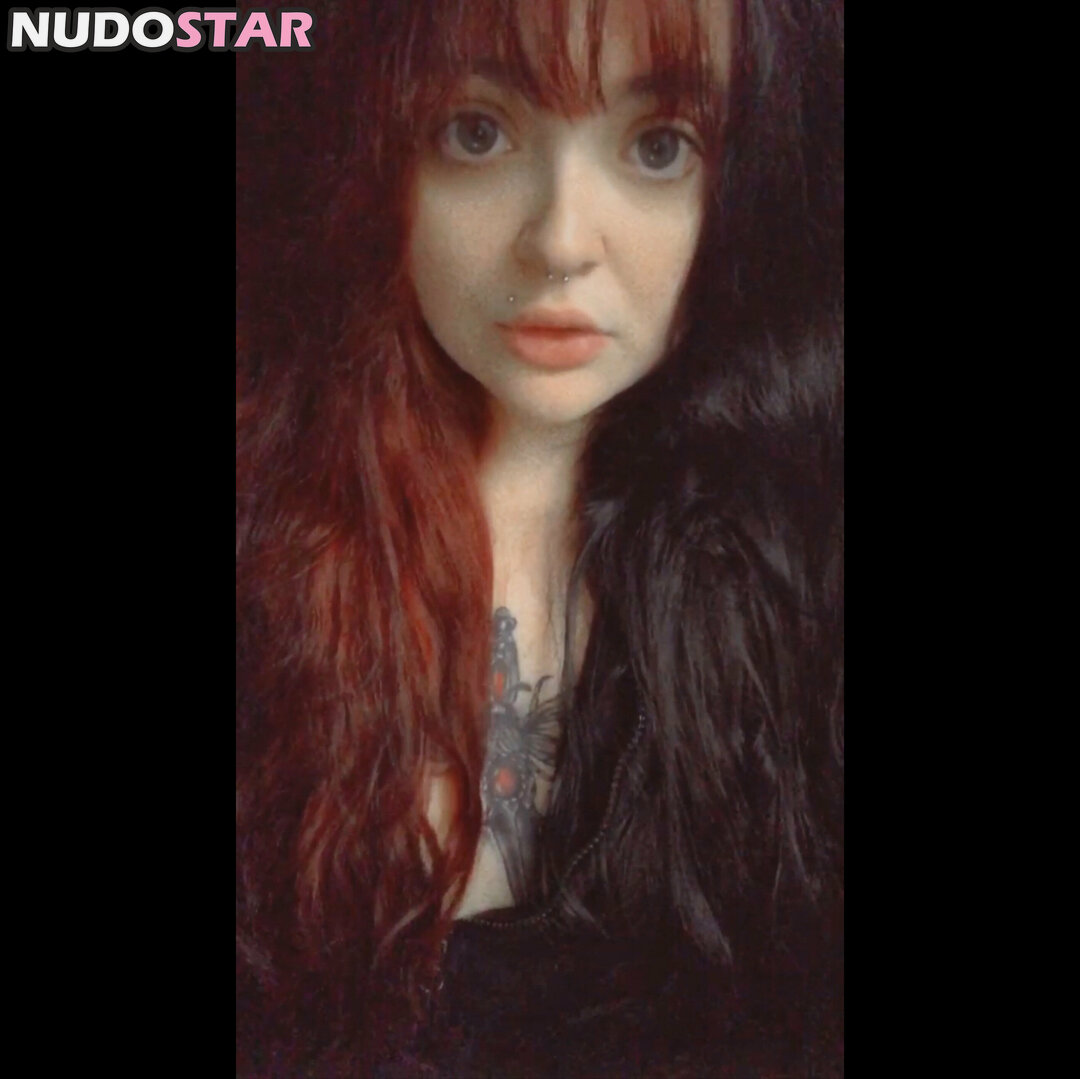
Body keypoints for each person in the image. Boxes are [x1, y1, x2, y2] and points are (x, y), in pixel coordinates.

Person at [236, 0, 844, 1074]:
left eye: (659, 147)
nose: (561, 242)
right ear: (377, 160)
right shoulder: (261, 547)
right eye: (478, 131)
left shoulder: (802, 576)